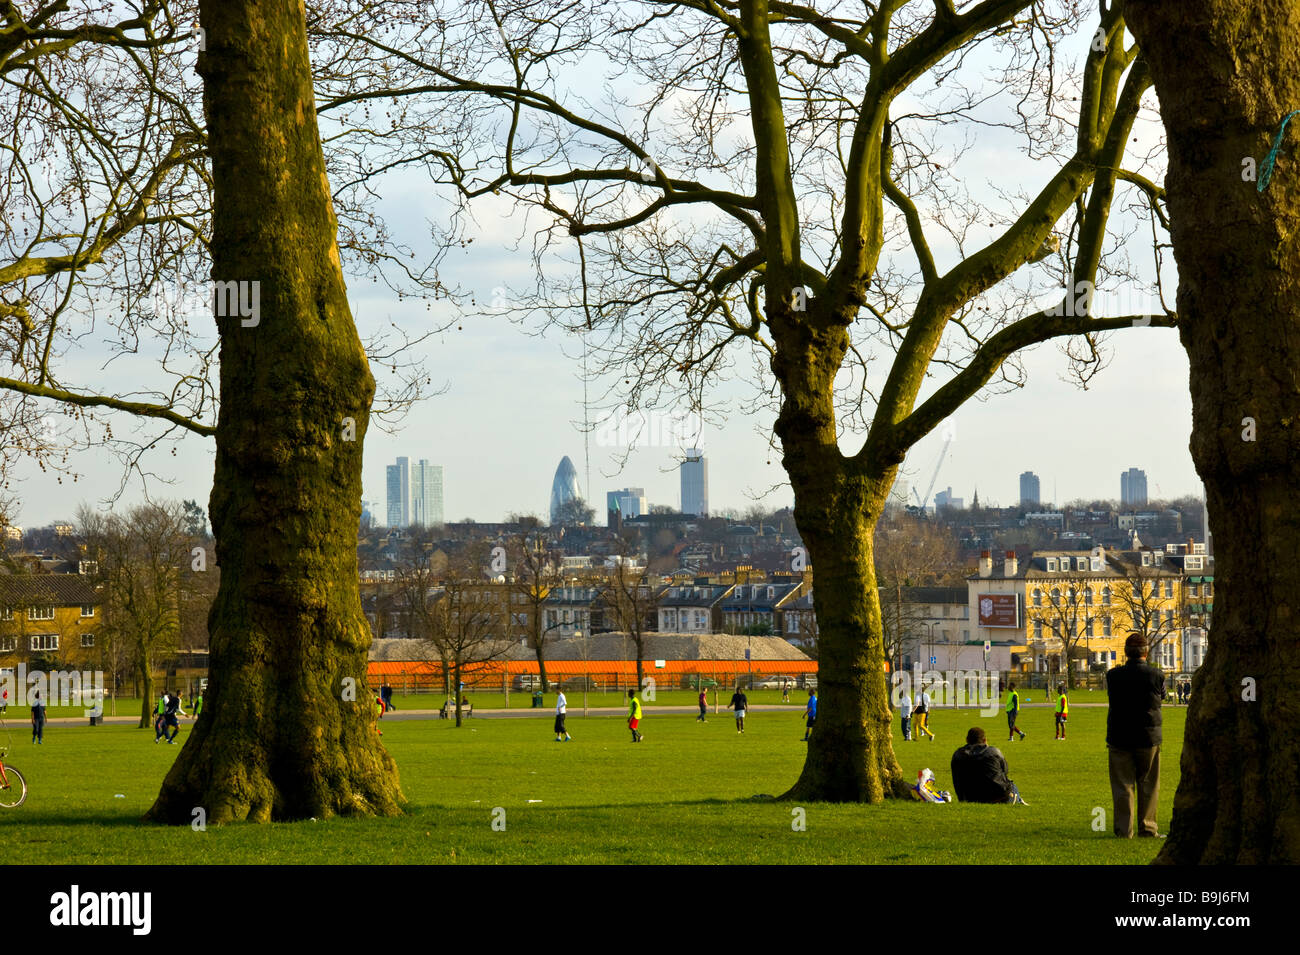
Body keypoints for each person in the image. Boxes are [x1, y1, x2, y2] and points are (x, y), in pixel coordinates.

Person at [1107, 632, 1164, 838]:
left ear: (1126, 653)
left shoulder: (1112, 676)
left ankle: (1124, 829)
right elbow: (1161, 697)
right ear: (1146, 652)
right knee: (1148, 783)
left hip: (1119, 735)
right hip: (1148, 736)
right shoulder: (1156, 675)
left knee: (1122, 784)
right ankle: (1148, 827)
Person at [950, 726, 1029, 805]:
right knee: (1012, 785)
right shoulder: (993, 752)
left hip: (969, 797)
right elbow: (1005, 770)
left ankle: (1017, 800)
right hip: (996, 797)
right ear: (984, 740)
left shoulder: (958, 754)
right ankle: (1018, 800)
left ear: (967, 740)